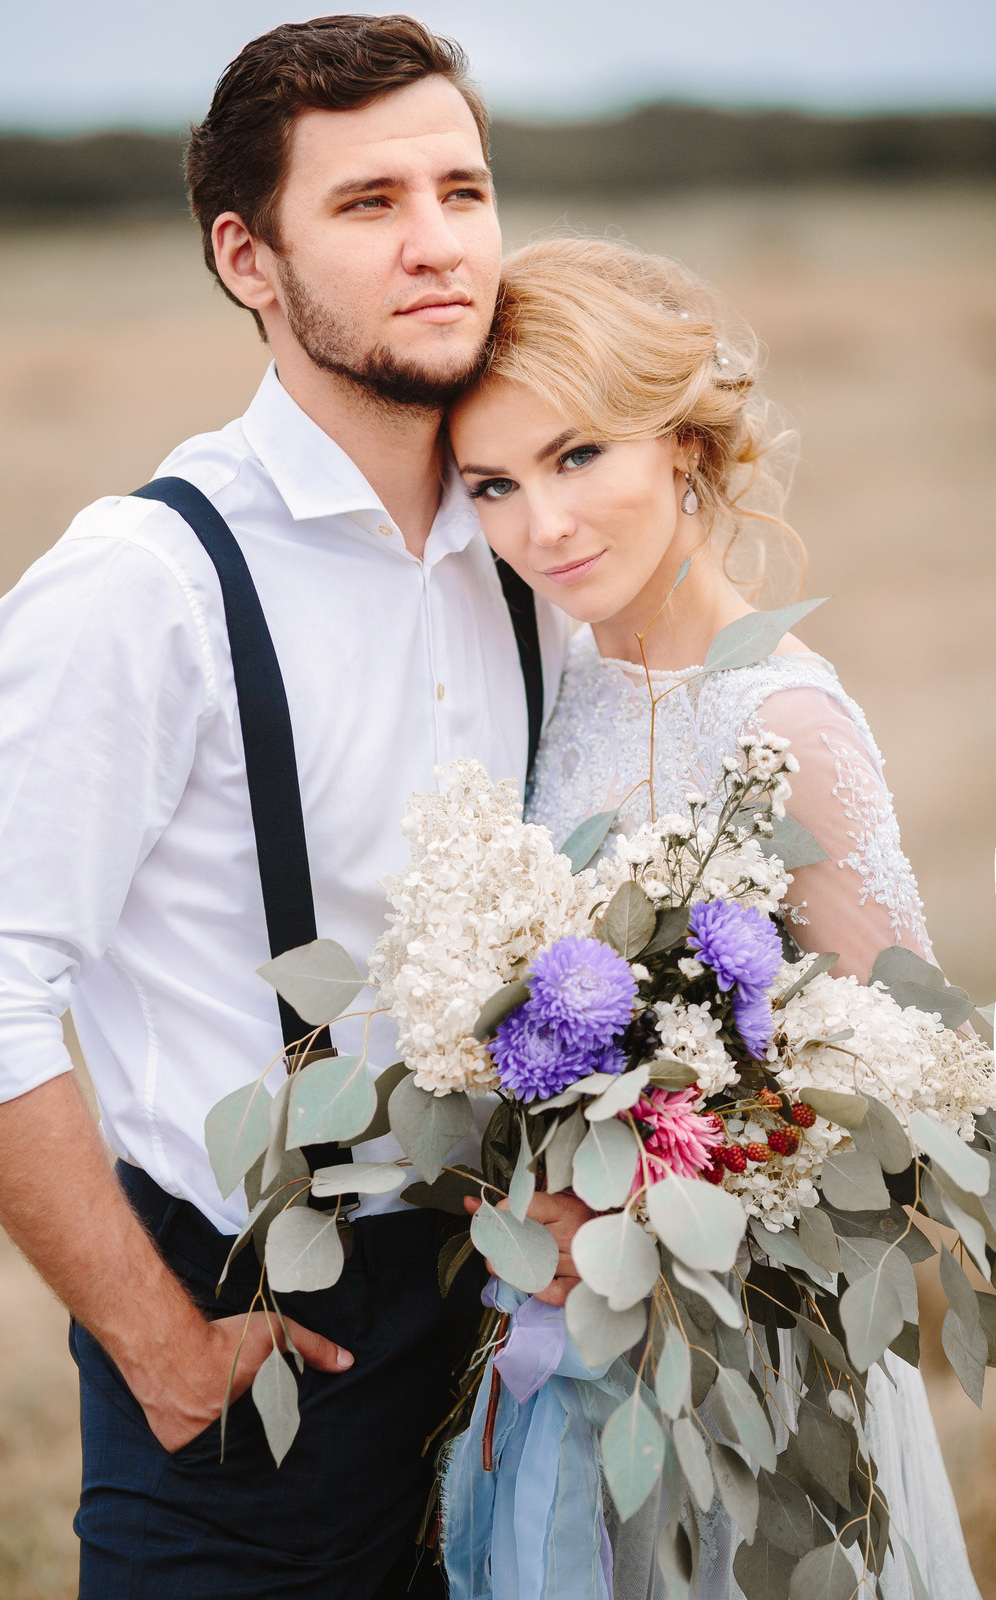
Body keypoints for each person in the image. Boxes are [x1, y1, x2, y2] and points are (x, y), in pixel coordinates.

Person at [0, 17, 590, 1600]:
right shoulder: (137, 586)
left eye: (463, 189)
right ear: (250, 257)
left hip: (522, 1352)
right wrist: (159, 1344)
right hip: (242, 1369)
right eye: (368, 205)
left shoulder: (537, 556)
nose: (439, 245)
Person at [448, 237, 980, 1597]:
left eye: (578, 459)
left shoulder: (783, 721)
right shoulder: (545, 693)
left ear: (681, 445)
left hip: (740, 1365)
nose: (541, 528)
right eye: (492, 484)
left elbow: (918, 1086)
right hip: (550, 1348)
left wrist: (670, 1183)